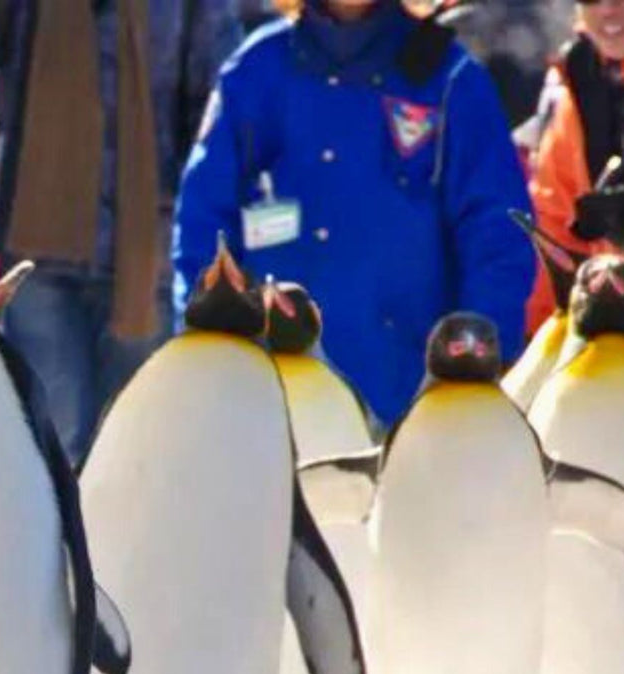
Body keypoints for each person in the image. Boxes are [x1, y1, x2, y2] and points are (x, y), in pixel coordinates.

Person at [173, 0, 535, 427]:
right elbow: (203, 226)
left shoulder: (449, 78)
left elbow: (497, 234)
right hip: (269, 403)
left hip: (411, 406)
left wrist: (475, 362)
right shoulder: (255, 71)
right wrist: (208, 350)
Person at [0, 0, 243, 465]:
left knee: (135, 451)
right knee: (50, 449)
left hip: (144, 251)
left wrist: (195, 222)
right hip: (36, 248)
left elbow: (215, 105)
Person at [524, 0, 624, 333]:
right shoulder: (582, 87)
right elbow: (555, 228)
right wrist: (539, 339)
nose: (608, 8)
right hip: (610, 336)